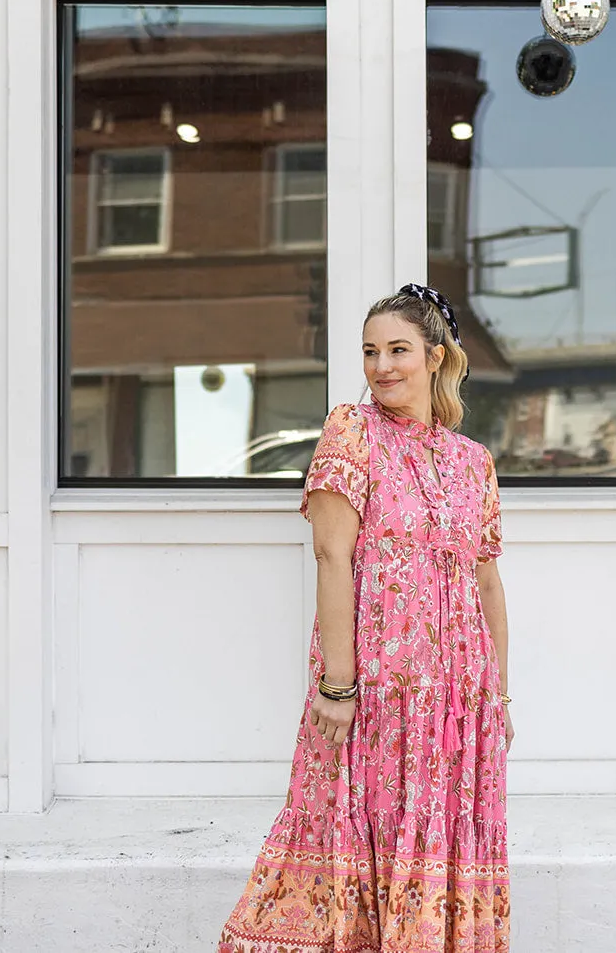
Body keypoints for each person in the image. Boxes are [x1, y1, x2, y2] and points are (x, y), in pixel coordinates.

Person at [219, 284, 514, 952]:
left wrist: (497, 695)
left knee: (446, 849)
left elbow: (487, 579)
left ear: (435, 357)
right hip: (377, 692)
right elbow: (331, 554)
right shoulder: (352, 431)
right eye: (370, 351)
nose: (382, 365)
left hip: (460, 703)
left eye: (399, 349)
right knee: (352, 841)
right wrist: (338, 685)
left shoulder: (474, 461)